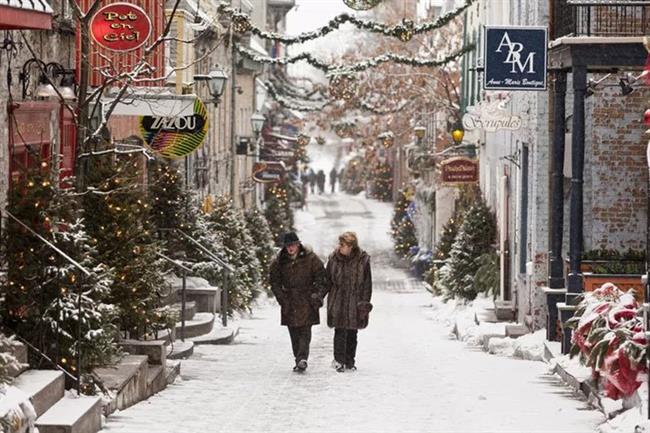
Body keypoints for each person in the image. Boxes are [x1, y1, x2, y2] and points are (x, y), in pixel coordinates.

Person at [270, 231, 327, 372]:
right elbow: (274, 282)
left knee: (305, 331)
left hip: (307, 299)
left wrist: (316, 295)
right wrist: (282, 298)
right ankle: (299, 358)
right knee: (294, 332)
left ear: (298, 244)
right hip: (289, 300)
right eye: (288, 245)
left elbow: (322, 278)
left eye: (293, 245)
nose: (290, 248)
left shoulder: (310, 258)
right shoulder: (279, 261)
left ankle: (302, 358)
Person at [322, 232, 372, 372]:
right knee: (339, 331)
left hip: (355, 300)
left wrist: (365, 303)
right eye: (339, 244)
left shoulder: (363, 260)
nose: (339, 247)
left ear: (350, 246)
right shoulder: (334, 258)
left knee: (352, 333)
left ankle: (350, 361)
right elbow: (327, 280)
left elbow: (367, 284)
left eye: (342, 245)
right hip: (338, 299)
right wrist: (320, 295)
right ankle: (339, 360)